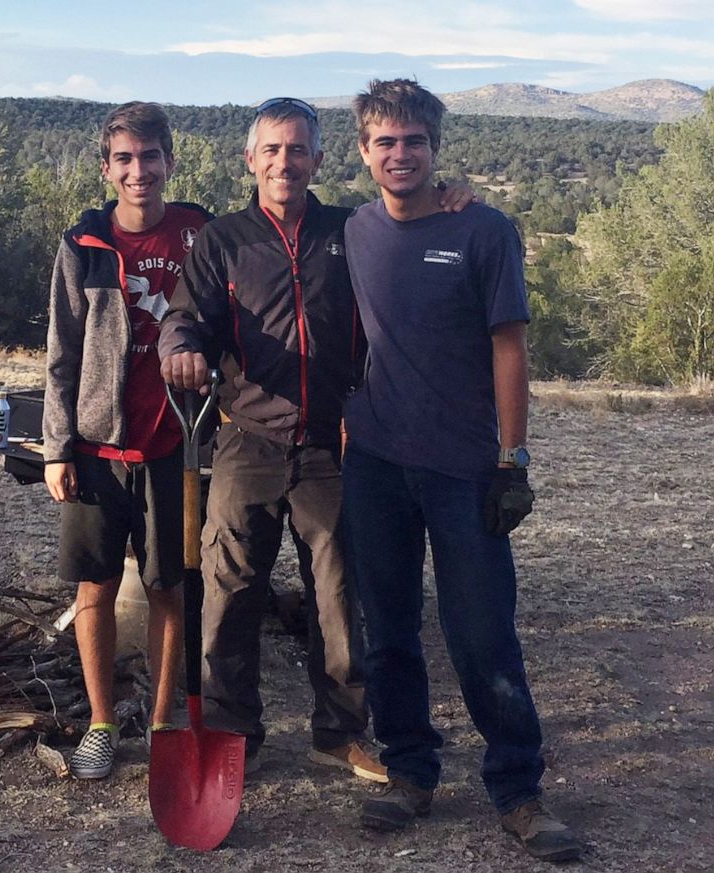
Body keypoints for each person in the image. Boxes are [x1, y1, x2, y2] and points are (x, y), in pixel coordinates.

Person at [158, 97, 471, 781]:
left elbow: (408, 226)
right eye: (271, 150)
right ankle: (234, 731)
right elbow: (185, 318)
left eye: (298, 150)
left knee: (339, 593)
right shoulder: (224, 241)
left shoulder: (351, 230)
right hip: (247, 440)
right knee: (230, 591)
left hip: (334, 444)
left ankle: (338, 731)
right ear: (250, 159)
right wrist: (178, 346)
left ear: (320, 160)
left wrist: (451, 195)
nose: (284, 162)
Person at [341, 79, 582, 862]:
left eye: (414, 140)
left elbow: (509, 347)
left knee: (481, 633)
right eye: (386, 140)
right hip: (374, 461)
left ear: (435, 149)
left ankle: (518, 789)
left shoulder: (485, 230)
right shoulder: (355, 233)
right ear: (364, 150)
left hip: (464, 465)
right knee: (390, 631)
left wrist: (513, 457)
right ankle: (410, 773)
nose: (400, 153)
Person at [41, 101, 211, 779]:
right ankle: (103, 721)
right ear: (106, 167)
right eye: (124, 158)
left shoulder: (202, 234)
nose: (138, 170)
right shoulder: (83, 246)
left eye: (150, 156)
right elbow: (61, 354)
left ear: (170, 160)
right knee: (96, 587)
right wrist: (57, 447)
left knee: (171, 586)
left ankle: (165, 719)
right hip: (97, 450)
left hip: (178, 446)